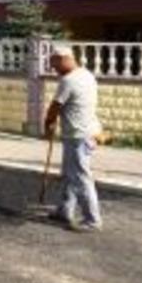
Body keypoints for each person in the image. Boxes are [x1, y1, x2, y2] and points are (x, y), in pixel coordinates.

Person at [44, 45, 103, 233]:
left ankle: (92, 220)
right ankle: (65, 210)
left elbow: (55, 106)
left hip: (78, 136)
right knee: (70, 175)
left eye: (55, 64)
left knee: (81, 177)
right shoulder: (87, 75)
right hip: (88, 133)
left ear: (65, 59)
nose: (54, 69)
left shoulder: (68, 80)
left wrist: (48, 124)